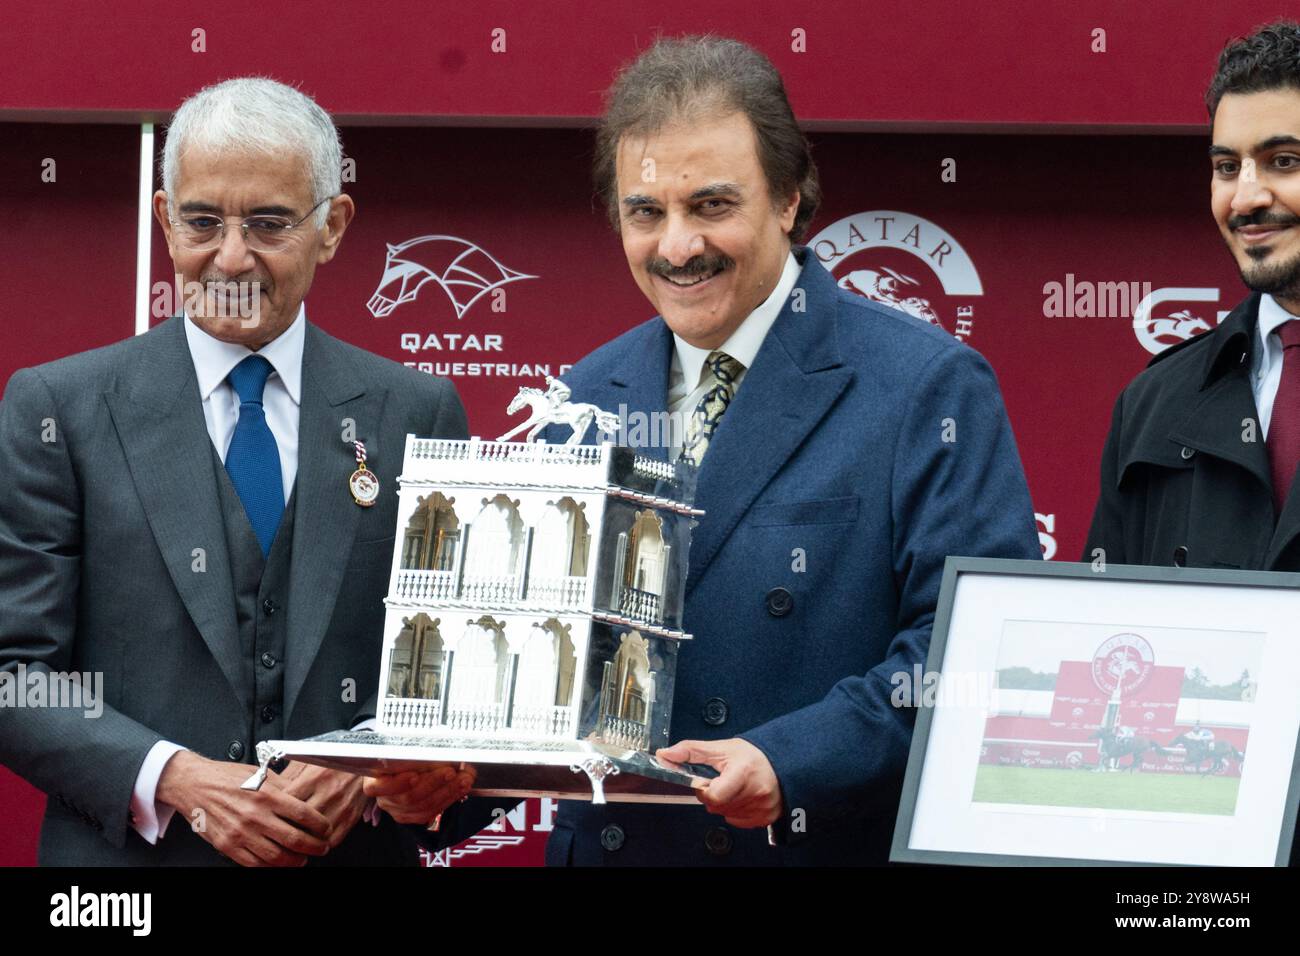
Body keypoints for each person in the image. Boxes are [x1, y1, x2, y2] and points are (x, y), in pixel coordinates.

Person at [410, 35, 1041, 866]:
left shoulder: (926, 386)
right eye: (646, 212)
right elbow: (546, 673)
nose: (676, 248)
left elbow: (973, 650)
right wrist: (447, 784)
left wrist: (792, 760)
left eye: (711, 206)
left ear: (788, 198)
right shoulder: (586, 396)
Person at [0, 77, 473, 865]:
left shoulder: (417, 411)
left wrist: (371, 761)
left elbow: (457, 667)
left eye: (268, 223)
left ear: (333, 227)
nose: (230, 255)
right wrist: (174, 777)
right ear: (163, 220)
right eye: (202, 221)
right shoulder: (59, 408)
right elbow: (16, 675)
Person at [1085, 21, 1300, 574]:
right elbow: (1107, 633)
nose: (1246, 198)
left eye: (1285, 161)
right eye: (1227, 168)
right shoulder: (1153, 401)